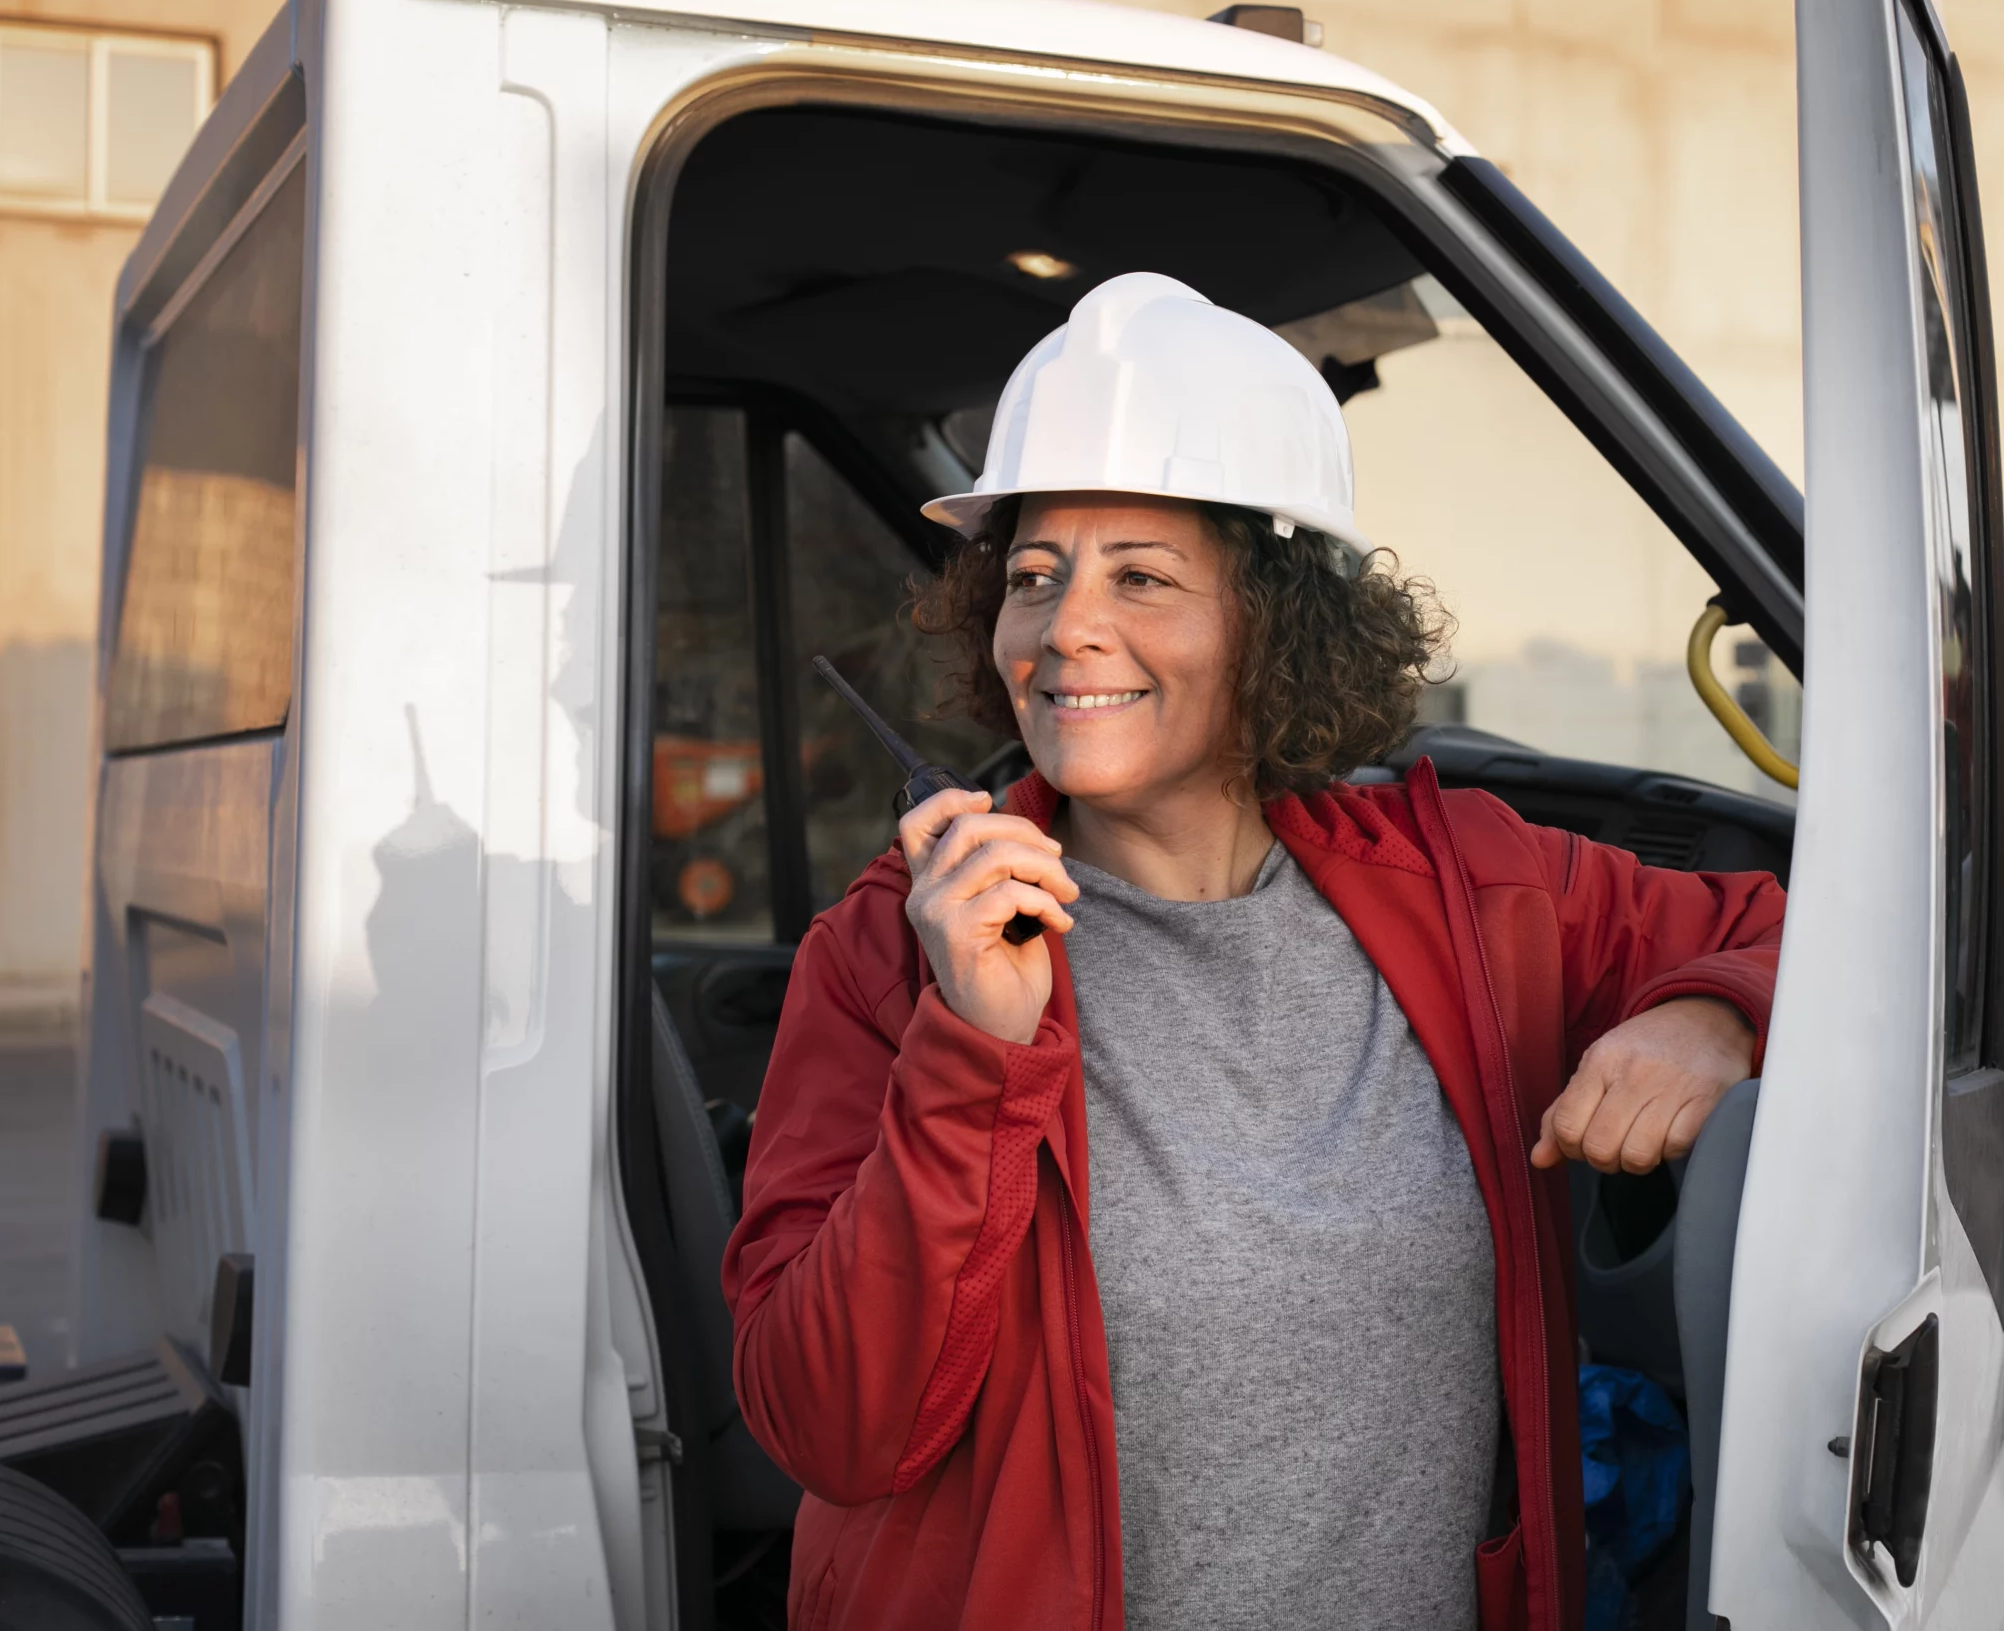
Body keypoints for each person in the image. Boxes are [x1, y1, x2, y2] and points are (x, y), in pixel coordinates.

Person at [723, 273, 1785, 1631]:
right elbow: (830, 1427)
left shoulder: (1472, 884)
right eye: (1034, 576)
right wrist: (972, 1055)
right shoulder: (892, 947)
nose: (1064, 629)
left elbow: (1804, 933)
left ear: (1273, 621)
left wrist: (1711, 1016)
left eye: (1141, 578)